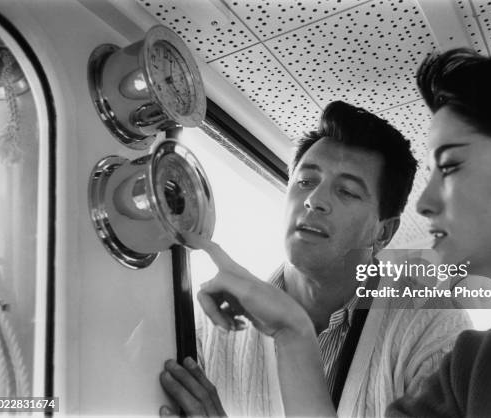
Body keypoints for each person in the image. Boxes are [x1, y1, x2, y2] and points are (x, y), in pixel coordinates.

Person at [182, 49, 491, 417]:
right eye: (305, 182)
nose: (425, 202)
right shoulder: (470, 370)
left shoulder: (442, 339)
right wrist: (294, 333)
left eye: (450, 167)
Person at [159, 101, 472, 417]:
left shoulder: (433, 327)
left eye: (347, 191)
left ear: (383, 232)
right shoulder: (209, 328)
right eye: (305, 181)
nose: (314, 200)